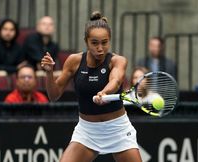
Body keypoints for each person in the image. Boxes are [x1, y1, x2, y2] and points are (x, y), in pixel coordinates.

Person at [41, 11, 142, 162]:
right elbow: (53, 96)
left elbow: (116, 81)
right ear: (86, 41)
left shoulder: (118, 60)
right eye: (94, 43)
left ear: (110, 41)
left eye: (104, 42)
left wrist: (104, 92)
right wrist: (49, 74)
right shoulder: (73, 61)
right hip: (87, 131)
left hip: (118, 130)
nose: (100, 48)